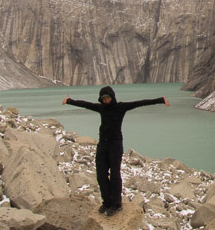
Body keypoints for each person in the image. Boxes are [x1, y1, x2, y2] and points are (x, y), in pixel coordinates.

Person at [63, 86, 168, 216]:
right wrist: (69, 101)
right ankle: (106, 202)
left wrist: (160, 100)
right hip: (102, 145)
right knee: (101, 175)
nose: (106, 100)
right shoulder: (101, 108)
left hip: (115, 145)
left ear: (112, 97)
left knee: (114, 175)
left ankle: (116, 204)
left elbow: (140, 103)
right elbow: (86, 105)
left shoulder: (120, 107)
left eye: (107, 98)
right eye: (103, 99)